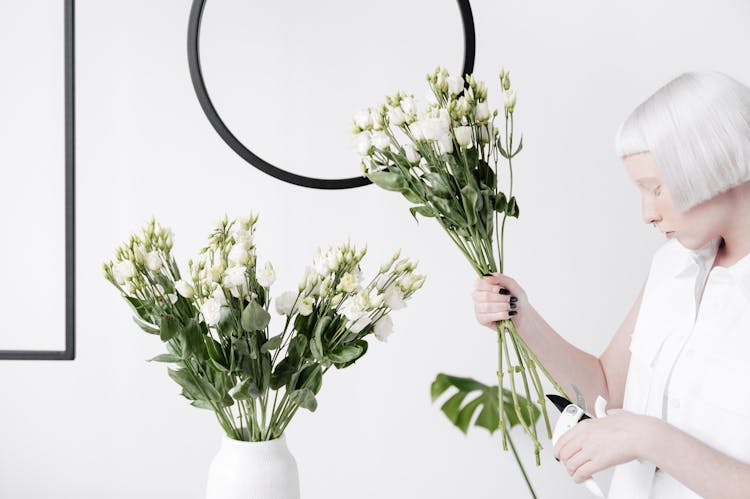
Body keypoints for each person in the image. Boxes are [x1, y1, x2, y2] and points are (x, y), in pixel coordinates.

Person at [472, 70, 750, 499]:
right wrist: (522, 316)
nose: (648, 213)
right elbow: (605, 389)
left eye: (656, 188)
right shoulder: (672, 266)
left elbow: (641, 433)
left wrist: (651, 439)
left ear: (712, 163)